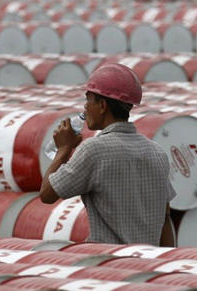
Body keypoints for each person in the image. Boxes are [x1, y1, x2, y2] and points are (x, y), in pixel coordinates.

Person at [39, 63, 176, 246]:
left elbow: (47, 194)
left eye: (88, 100)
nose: (85, 108)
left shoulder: (93, 150)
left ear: (102, 105)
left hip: (109, 261)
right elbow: (165, 219)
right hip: (148, 259)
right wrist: (166, 259)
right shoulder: (158, 153)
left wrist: (63, 149)